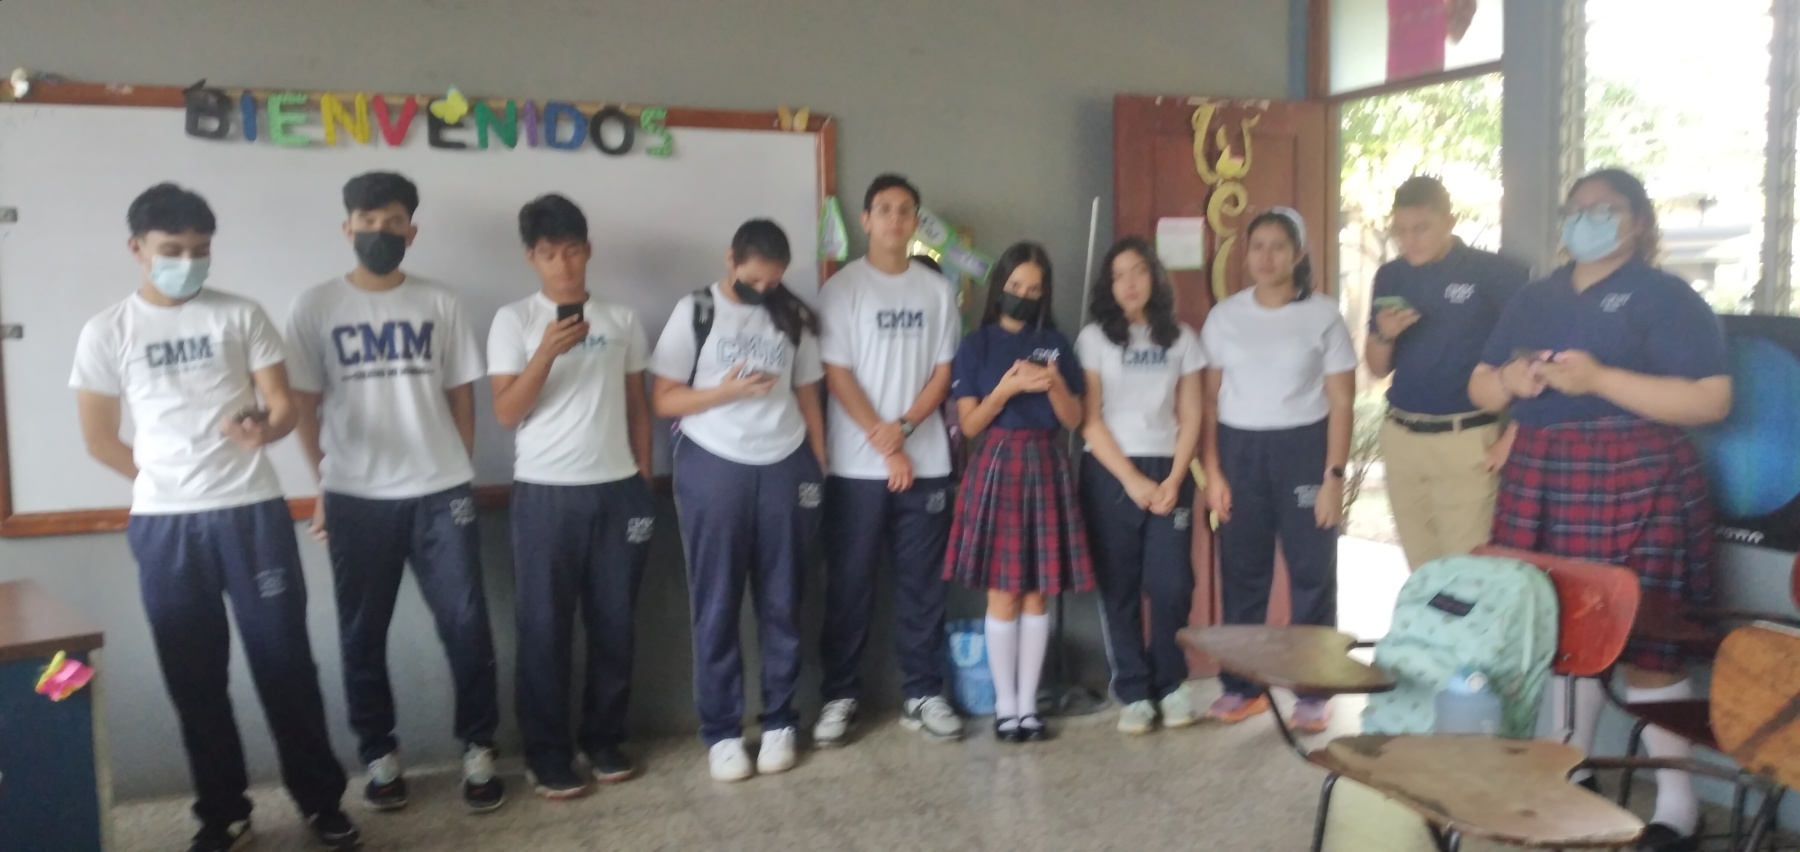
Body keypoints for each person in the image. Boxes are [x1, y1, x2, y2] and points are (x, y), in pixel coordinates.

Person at [71, 183, 359, 852]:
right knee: (194, 677)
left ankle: (321, 803)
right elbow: (98, 438)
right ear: (137, 248)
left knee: (285, 665)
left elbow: (282, 406)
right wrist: (164, 481)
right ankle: (224, 813)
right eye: (172, 250)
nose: (188, 262)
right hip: (166, 526)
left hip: (251, 514)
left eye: (200, 250)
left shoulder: (240, 314)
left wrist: (265, 428)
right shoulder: (107, 330)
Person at [1470, 168, 1730, 852]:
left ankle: (1678, 807)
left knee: (1649, 640)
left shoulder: (1667, 297)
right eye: (1576, 209)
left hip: (1638, 472)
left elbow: (1711, 400)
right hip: (1542, 471)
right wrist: (1510, 379)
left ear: (1637, 221)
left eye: (1605, 209)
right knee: (1561, 632)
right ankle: (1571, 771)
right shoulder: (1535, 297)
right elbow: (1482, 385)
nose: (1586, 219)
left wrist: (1601, 379)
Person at [286, 171, 505, 814]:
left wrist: (456, 469)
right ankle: (380, 756)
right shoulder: (315, 306)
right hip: (355, 496)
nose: (379, 232)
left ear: (412, 230)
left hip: (441, 493)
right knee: (361, 634)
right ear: (347, 228)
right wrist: (324, 484)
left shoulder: (440, 301)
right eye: (367, 222)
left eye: (392, 223)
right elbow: (304, 408)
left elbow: (462, 395)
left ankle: (479, 749)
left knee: (467, 627)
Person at [487, 194, 656, 799]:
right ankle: (547, 754)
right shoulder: (514, 320)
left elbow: (639, 407)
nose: (562, 265)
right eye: (548, 254)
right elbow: (507, 412)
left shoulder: (622, 318)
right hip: (546, 494)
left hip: (617, 491)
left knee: (614, 625)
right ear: (531, 258)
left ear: (589, 250)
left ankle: (603, 740)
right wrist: (545, 354)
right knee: (544, 629)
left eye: (572, 251)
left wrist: (642, 482)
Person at [649, 219, 826, 782]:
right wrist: (726, 390)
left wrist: (820, 465)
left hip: (785, 462)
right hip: (713, 463)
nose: (763, 291)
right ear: (731, 261)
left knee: (783, 600)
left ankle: (780, 722)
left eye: (773, 282)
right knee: (718, 602)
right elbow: (664, 399)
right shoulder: (696, 310)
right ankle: (722, 733)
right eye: (753, 281)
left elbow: (809, 395)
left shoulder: (792, 316)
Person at [813, 174, 964, 747]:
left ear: (916, 222)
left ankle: (923, 692)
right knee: (849, 586)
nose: (895, 219)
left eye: (905, 211)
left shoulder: (936, 291)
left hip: (925, 465)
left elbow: (943, 374)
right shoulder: (842, 288)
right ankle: (839, 696)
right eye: (884, 209)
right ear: (866, 219)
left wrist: (902, 431)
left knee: (923, 588)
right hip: (856, 469)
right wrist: (886, 441)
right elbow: (837, 374)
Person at [1199, 208, 1356, 733]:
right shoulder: (1225, 316)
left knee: (1312, 572)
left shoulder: (1323, 315)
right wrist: (1214, 473)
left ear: (1298, 254)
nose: (1266, 257)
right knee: (1243, 573)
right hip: (1239, 450)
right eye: (1257, 246)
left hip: (1304, 450)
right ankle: (1243, 687)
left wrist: (1334, 478)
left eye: (1278, 247)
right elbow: (1208, 400)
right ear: (1246, 254)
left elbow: (1342, 401)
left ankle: (1313, 689)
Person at [943, 241, 1092, 743]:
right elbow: (969, 425)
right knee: (1003, 593)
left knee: (1037, 594)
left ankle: (1029, 706)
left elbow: (1075, 419)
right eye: (1014, 287)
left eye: (1033, 289)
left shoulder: (1056, 343)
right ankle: (1005, 707)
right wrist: (1005, 390)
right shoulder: (976, 345)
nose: (1023, 296)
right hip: (997, 463)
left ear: (1044, 293)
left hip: (1047, 461)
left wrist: (1053, 384)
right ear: (999, 287)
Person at [1075, 237, 1206, 735]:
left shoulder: (1182, 338)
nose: (1129, 283)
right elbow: (1089, 420)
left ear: (1154, 276)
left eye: (1139, 271)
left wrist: (1174, 477)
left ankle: (1171, 684)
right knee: (1120, 587)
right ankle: (1133, 691)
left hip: (1169, 468)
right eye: (1119, 275)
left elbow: (1192, 413)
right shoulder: (1094, 339)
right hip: (1111, 470)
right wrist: (1130, 480)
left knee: (1173, 583)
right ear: (1108, 286)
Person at [1365, 176, 1528, 570]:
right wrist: (1384, 335)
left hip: (1467, 437)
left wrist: (1513, 437)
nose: (1409, 240)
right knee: (1422, 572)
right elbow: (1376, 367)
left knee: (1468, 572)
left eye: (1421, 228)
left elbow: (1532, 361)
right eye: (1401, 231)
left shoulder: (1496, 273)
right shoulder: (1391, 276)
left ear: (1450, 221)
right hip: (1401, 436)